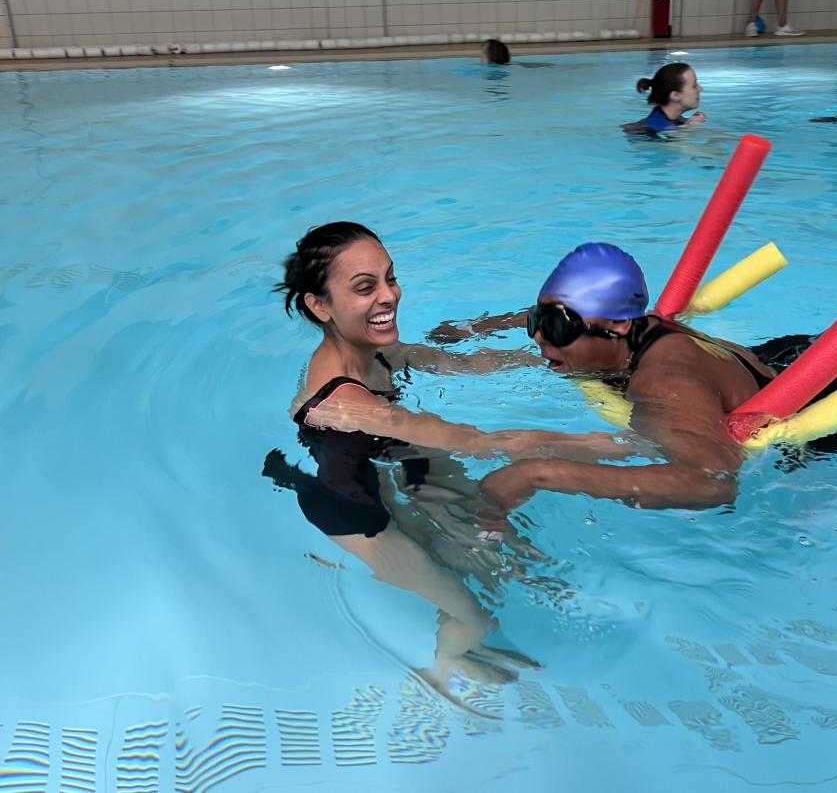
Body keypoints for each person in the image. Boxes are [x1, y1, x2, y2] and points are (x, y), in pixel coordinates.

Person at [263, 223, 639, 701]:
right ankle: (444, 668)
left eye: (390, 278)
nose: (388, 296)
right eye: (365, 287)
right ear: (320, 306)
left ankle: (458, 608)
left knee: (498, 552)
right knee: (471, 613)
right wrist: (604, 444)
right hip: (355, 512)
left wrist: (568, 355)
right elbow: (476, 442)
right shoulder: (345, 401)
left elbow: (461, 364)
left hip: (393, 462)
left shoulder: (375, 354)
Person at [432, 243, 776, 511]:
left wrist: (536, 473)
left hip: (807, 431)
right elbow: (557, 314)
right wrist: (476, 328)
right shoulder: (620, 329)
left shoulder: (663, 383)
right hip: (766, 359)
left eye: (554, 326)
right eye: (540, 320)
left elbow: (712, 482)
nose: (538, 336)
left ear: (618, 325)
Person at [623, 62, 706, 136]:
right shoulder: (656, 126)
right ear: (675, 95)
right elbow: (685, 149)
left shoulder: (673, 120)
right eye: (694, 86)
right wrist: (690, 127)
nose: (701, 89)